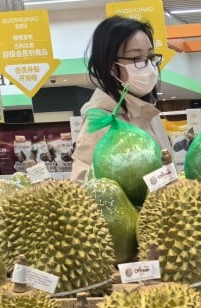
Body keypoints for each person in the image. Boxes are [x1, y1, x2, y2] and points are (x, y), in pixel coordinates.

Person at [71, 15, 172, 182]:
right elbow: (82, 182)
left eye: (150, 57)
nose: (147, 65)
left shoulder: (145, 110)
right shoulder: (101, 118)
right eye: (136, 58)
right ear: (111, 66)